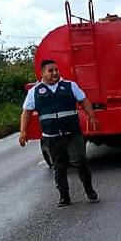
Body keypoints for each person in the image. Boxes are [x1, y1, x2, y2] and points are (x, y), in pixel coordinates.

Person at [18, 59, 100, 207]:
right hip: (52, 136)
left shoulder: (70, 86)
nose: (55, 73)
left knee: (80, 161)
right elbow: (26, 113)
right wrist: (23, 132)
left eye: (56, 70)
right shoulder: (34, 92)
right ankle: (64, 196)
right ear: (42, 73)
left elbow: (84, 100)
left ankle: (89, 190)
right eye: (51, 71)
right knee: (59, 166)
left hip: (72, 133)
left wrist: (92, 116)